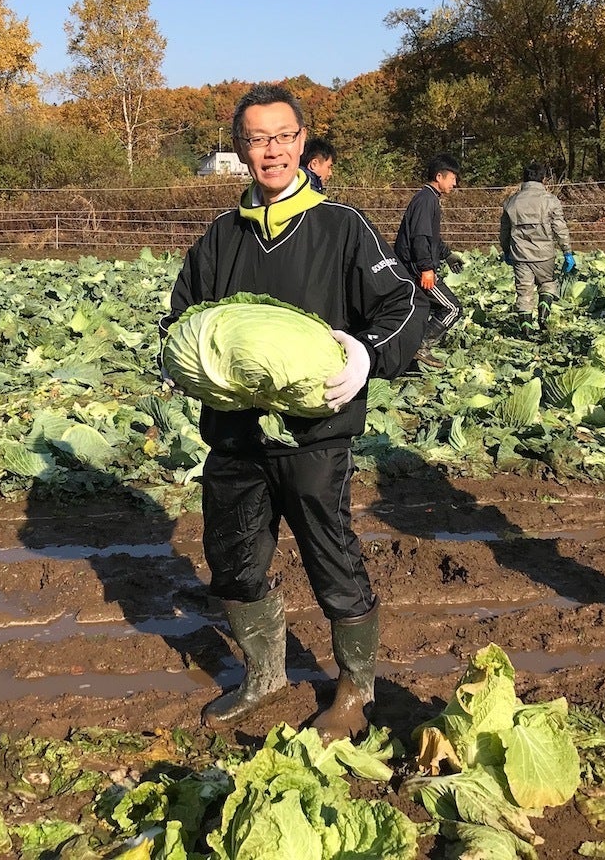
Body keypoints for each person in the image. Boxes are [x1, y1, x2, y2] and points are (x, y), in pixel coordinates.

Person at [161, 83, 425, 741]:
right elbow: (180, 318)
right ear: (241, 148)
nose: (272, 150)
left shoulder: (342, 227)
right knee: (232, 560)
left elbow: (401, 306)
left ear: (302, 143)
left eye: (283, 136)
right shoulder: (220, 238)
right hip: (235, 435)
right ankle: (264, 674)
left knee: (331, 556)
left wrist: (366, 354)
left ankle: (356, 690)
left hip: (316, 432)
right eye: (258, 139)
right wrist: (188, 362)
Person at [394, 154, 463, 366]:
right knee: (452, 308)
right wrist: (426, 268)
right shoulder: (426, 200)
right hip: (417, 269)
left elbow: (431, 237)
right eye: (452, 178)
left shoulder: (428, 198)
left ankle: (406, 355)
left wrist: (447, 254)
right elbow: (420, 237)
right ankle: (421, 346)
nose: (455, 183)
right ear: (439, 176)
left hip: (414, 266)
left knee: (420, 310)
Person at [498, 162, 573, 326]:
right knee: (547, 283)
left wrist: (506, 250)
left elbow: (504, 231)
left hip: (520, 255)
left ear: (524, 178)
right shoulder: (550, 200)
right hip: (544, 254)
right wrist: (567, 251)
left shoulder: (511, 202)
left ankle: (526, 328)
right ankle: (544, 312)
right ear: (543, 179)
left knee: (524, 292)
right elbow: (560, 228)